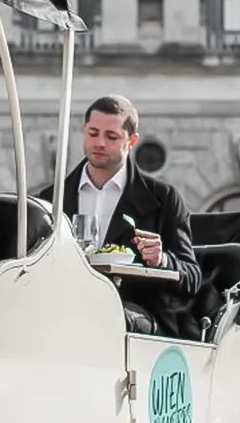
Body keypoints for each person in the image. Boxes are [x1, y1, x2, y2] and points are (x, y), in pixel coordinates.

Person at [37, 95, 201, 339]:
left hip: (139, 316)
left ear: (132, 141)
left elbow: (192, 277)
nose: (99, 143)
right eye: (93, 133)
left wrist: (162, 260)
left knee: (101, 315)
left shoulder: (163, 199)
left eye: (111, 137)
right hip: (67, 310)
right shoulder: (53, 197)